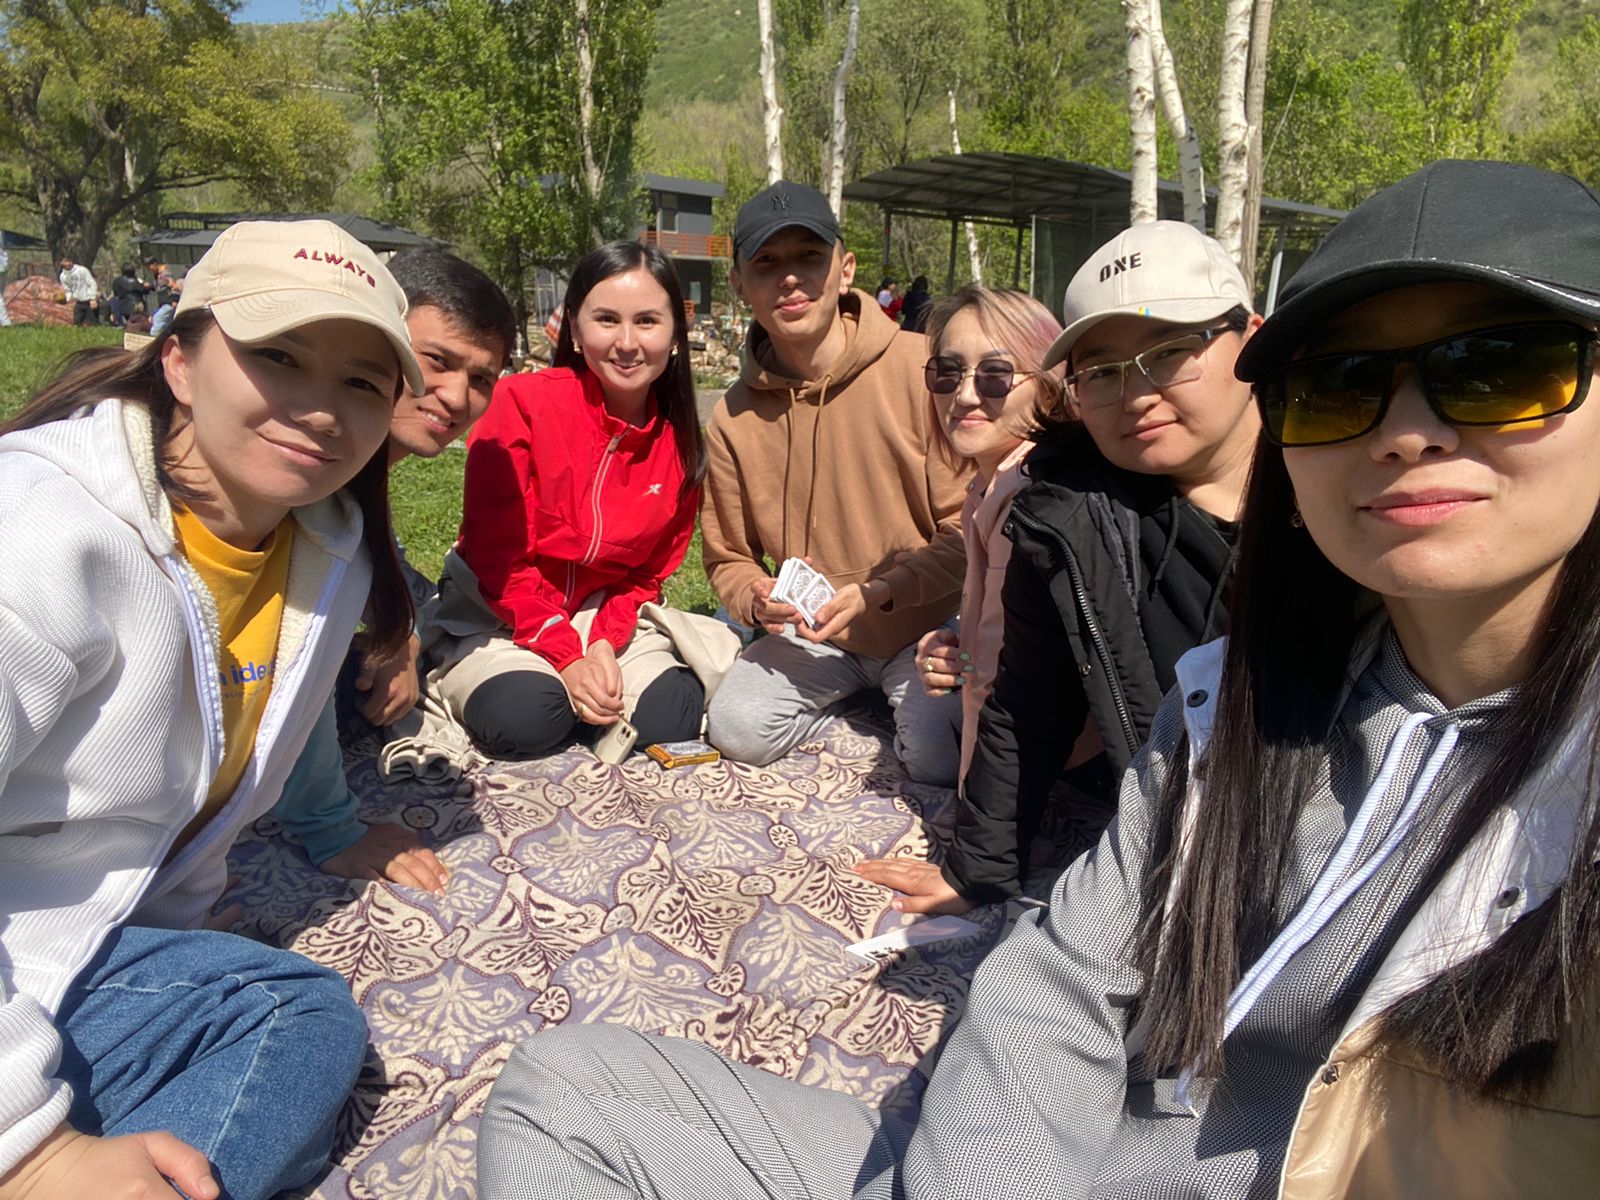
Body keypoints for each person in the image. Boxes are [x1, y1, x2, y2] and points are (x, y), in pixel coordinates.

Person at [474, 158, 1600, 1200]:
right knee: (557, 1089)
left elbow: (982, 619)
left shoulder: (1052, 502)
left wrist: (889, 603)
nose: (1406, 433)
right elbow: (1059, 978)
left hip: (894, 631)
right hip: (1038, 1145)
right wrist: (759, 600)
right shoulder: (1229, 691)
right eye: (1343, 383)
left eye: (1498, 368)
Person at [0, 219, 424, 1200]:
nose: (321, 409)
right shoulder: (40, 536)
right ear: (179, 362)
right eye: (279, 356)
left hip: (85, 946)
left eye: (362, 382)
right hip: (23, 953)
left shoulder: (327, 550)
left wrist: (178, 919)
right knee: (293, 1017)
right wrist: (32, 1152)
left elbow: (210, 773)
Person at [860, 221, 1263, 914]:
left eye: (1169, 352)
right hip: (1173, 834)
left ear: (1252, 341)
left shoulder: (1342, 490)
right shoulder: (1069, 515)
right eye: (1103, 371)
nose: (1137, 394)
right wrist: (978, 869)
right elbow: (1028, 695)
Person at [700, 180, 969, 785]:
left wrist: (883, 592)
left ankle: (899, 702)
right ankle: (858, 702)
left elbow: (966, 531)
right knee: (736, 729)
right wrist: (754, 598)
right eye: (766, 263)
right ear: (739, 284)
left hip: (925, 625)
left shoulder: (922, 369)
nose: (790, 278)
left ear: (845, 269)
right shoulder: (732, 416)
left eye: (809, 257)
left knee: (939, 759)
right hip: (813, 636)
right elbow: (727, 557)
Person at [272, 248, 516, 892]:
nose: (457, 397)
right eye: (435, 361)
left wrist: (398, 630)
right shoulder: (304, 452)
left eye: (482, 378)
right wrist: (332, 829)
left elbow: (371, 551)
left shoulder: (364, 463)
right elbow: (292, 641)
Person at [421, 240, 709, 758]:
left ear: (674, 336)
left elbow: (646, 576)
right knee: (529, 717)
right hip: (501, 611)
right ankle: (455, 669)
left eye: (647, 321)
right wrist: (566, 656)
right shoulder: (520, 403)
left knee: (671, 716)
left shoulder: (680, 445)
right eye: (606, 320)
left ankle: (588, 688)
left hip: (597, 615)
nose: (627, 343)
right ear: (575, 330)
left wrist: (603, 642)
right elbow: (498, 560)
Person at [859, 284, 1065, 792]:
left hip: (1057, 772)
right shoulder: (989, 487)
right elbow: (991, 658)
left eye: (996, 374)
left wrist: (974, 824)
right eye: (947, 372)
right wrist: (961, 654)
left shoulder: (1032, 503)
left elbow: (1010, 693)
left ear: (1047, 385)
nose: (965, 394)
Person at [57, 256, 98, 325]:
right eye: (65, 261)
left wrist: (93, 298)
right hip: (79, 302)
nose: (68, 263)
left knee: (92, 324)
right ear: (61, 263)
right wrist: (66, 299)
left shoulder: (82, 270)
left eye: (69, 261)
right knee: (77, 323)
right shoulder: (63, 276)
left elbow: (92, 283)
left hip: (89, 301)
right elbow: (69, 290)